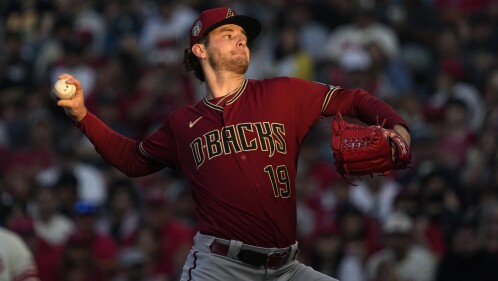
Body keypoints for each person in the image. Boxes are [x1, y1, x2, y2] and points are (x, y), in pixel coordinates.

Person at [55, 7, 411, 281]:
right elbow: (133, 160)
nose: (241, 39)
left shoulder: (283, 92)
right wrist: (83, 115)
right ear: (201, 49)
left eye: (243, 35)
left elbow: (353, 99)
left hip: (287, 268)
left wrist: (398, 126)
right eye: (228, 34)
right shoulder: (182, 124)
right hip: (220, 267)